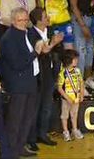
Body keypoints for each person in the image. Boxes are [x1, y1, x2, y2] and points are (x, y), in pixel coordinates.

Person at [0, 8, 45, 158]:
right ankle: (12, 152)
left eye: (26, 20)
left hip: (30, 82)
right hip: (18, 85)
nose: (24, 23)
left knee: (27, 118)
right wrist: (35, 53)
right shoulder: (9, 39)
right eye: (21, 20)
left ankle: (20, 147)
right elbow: (17, 63)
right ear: (13, 21)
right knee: (15, 120)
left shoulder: (25, 33)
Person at [26, 8, 61, 150]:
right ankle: (32, 138)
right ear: (39, 20)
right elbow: (42, 51)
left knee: (46, 107)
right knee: (34, 109)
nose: (48, 18)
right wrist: (53, 43)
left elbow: (57, 50)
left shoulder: (51, 30)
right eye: (46, 16)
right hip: (38, 76)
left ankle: (42, 133)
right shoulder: (31, 35)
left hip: (50, 75)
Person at [57, 49, 84, 141]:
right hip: (66, 99)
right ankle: (65, 131)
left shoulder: (77, 71)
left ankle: (75, 129)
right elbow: (60, 88)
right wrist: (67, 97)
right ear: (69, 60)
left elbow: (81, 83)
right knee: (65, 115)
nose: (77, 61)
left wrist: (81, 94)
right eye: (75, 59)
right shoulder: (62, 74)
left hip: (75, 97)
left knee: (74, 114)